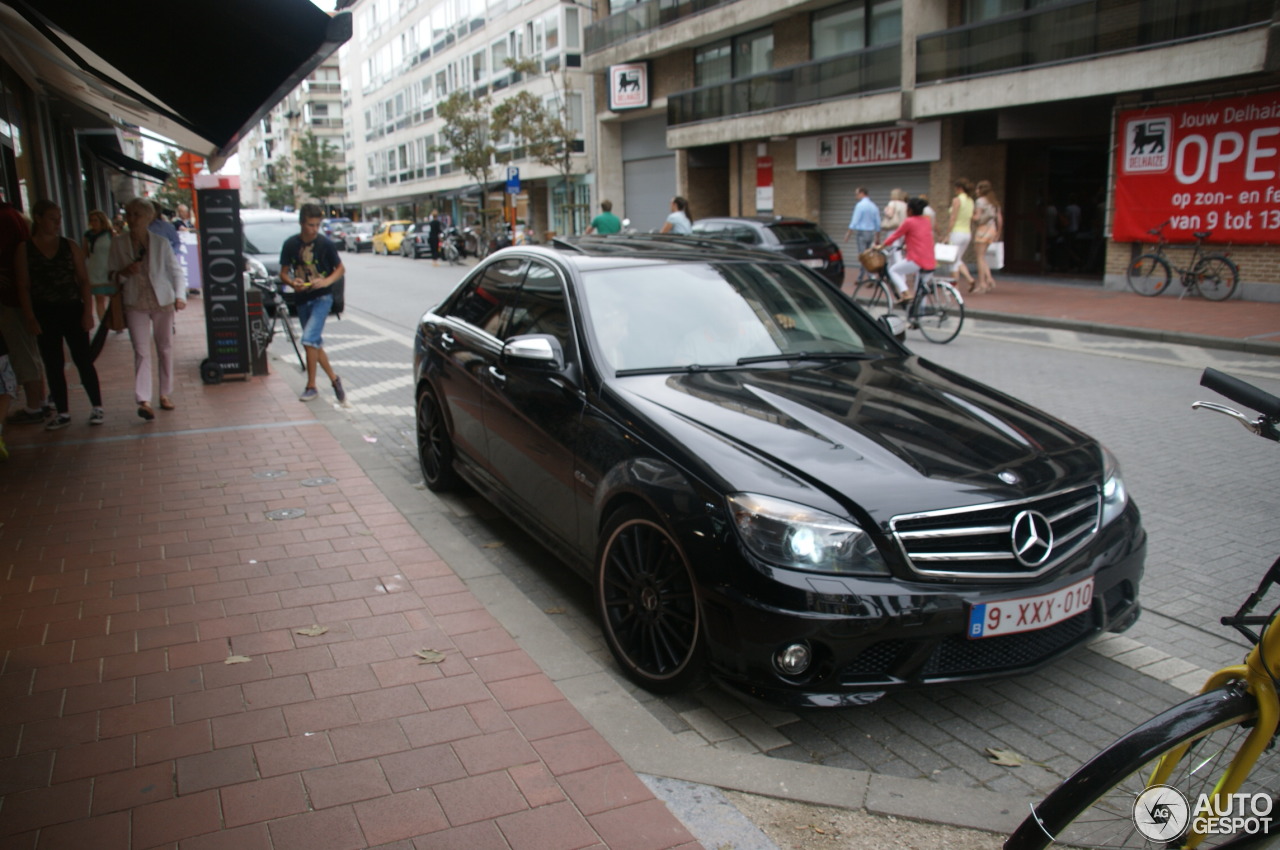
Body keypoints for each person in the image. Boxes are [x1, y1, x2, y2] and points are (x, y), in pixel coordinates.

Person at [14, 200, 103, 430]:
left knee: (83, 358)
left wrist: (87, 311)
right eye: (52, 218)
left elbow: (84, 281)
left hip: (71, 308)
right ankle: (63, 411)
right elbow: (23, 285)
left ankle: (97, 406)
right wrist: (30, 316)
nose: (57, 223)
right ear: (38, 218)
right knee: (53, 362)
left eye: (59, 217)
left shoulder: (69, 246)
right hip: (44, 310)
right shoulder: (25, 249)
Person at [109, 197, 186, 420]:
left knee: (165, 348)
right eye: (129, 214)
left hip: (162, 302)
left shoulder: (160, 243)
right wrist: (124, 272)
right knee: (141, 351)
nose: (131, 219)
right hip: (135, 302)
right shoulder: (118, 243)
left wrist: (180, 296)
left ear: (148, 217)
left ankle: (165, 393)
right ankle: (143, 399)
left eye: (137, 215)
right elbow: (110, 274)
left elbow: (175, 272)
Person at [280, 203, 347, 404]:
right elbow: (283, 273)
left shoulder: (325, 244)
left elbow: (341, 268)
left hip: (322, 298)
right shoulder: (291, 244)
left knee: (309, 339)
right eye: (310, 225)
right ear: (302, 223)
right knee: (314, 344)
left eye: (317, 225)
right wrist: (293, 282)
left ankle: (311, 386)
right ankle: (335, 380)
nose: (314, 229)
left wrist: (325, 281)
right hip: (302, 298)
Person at [0, 198, 47, 426]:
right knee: (30, 351)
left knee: (23, 353)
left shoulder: (5, 219)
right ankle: (40, 402)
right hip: (17, 298)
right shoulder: (14, 217)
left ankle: (34, 405)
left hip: (11, 299)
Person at [874, 196, 935, 304]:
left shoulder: (909, 221)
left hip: (916, 259)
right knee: (920, 291)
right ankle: (918, 315)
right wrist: (907, 245)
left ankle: (905, 292)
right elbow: (921, 237)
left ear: (910, 210)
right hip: (930, 260)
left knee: (893, 270)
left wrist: (881, 246)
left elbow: (895, 235)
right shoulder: (926, 221)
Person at [83, 210, 116, 323]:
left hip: (108, 269)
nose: (93, 223)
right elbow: (85, 253)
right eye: (91, 220)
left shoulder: (110, 234)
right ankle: (104, 323)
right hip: (95, 270)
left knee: (114, 298)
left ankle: (116, 321)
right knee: (99, 299)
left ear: (102, 221)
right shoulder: (87, 236)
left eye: (96, 220)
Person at [972, 180, 1003, 294]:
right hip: (992, 230)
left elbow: (977, 217)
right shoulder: (994, 202)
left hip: (982, 230)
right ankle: (989, 279)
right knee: (983, 256)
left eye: (977, 189)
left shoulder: (980, 201)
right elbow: (999, 219)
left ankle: (982, 284)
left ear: (981, 190)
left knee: (979, 257)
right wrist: (998, 233)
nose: (976, 191)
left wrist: (970, 216)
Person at [844, 187, 880, 283]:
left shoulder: (860, 205)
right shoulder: (873, 206)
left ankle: (868, 277)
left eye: (856, 194)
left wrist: (848, 233)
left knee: (863, 256)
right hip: (871, 233)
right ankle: (866, 276)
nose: (856, 196)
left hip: (862, 233)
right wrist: (877, 236)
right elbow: (878, 222)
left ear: (862, 193)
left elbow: (854, 221)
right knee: (869, 255)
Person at [947, 178, 976, 292]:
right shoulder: (970, 201)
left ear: (959, 188)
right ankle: (969, 279)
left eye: (955, 188)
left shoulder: (957, 200)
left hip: (956, 232)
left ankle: (954, 287)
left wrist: (948, 233)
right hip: (967, 233)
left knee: (952, 261)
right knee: (958, 259)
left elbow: (953, 217)